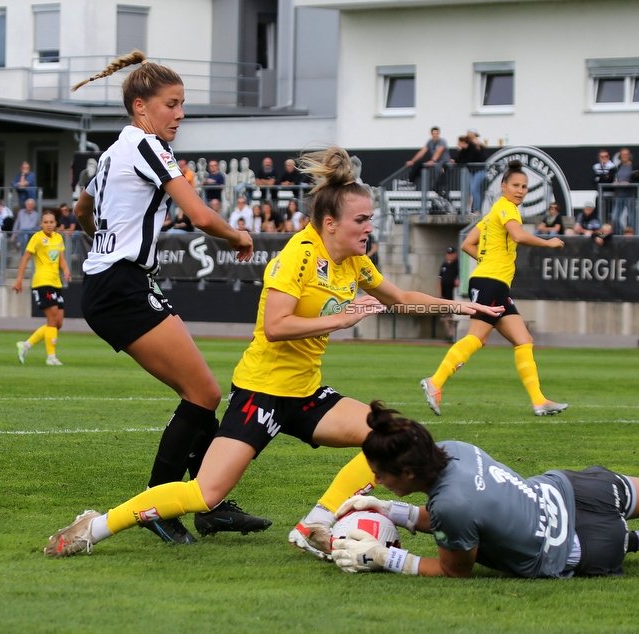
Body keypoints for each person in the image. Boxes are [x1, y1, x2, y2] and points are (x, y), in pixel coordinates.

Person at [43, 145, 501, 559]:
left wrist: (462, 305)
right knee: (203, 493)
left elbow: (398, 297)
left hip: (305, 395)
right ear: (330, 223)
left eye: (370, 220)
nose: (368, 228)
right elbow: (276, 326)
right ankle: (93, 527)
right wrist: (340, 320)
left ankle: (315, 523)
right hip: (260, 394)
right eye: (361, 221)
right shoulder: (297, 256)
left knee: (388, 435)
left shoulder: (354, 261)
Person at [67, 51, 265, 545]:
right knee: (203, 394)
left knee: (202, 393)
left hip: (116, 283)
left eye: (182, 105)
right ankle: (160, 503)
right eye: (172, 104)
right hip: (122, 285)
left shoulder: (116, 151)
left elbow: (82, 209)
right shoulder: (150, 147)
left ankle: (207, 504)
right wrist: (238, 237)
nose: (180, 114)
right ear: (141, 107)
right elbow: (199, 215)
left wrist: (102, 244)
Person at [329, 403, 639, 578]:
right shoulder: (453, 447)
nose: (378, 479)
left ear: (410, 473)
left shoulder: (451, 505)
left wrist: (384, 557)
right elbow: (473, 514)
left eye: (384, 475)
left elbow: (455, 570)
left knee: (493, 551)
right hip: (573, 493)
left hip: (580, 545)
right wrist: (390, 508)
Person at [420, 160, 568, 418]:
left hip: (493, 282)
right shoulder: (508, 208)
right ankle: (435, 382)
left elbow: (467, 244)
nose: (520, 190)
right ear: (503, 186)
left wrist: (487, 260)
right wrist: (550, 243)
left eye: (524, 186)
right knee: (477, 337)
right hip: (491, 282)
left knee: (524, 340)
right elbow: (520, 236)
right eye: (515, 185)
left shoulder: (493, 213)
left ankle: (539, 401)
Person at [13, 211, 72, 365]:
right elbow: (25, 258)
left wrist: (65, 270)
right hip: (42, 282)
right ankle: (51, 357)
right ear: (41, 224)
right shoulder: (37, 238)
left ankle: (25, 345)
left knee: (58, 323)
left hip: (55, 283)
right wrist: (19, 280)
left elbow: (61, 259)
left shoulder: (59, 238)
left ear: (55, 224)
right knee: (52, 320)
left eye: (51, 222)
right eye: (45, 222)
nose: (49, 224)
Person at [612, 149, 639, 235]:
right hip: (619, 195)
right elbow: (616, 177)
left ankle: (633, 236)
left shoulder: (634, 167)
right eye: (622, 155)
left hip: (630, 195)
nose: (624, 157)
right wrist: (615, 182)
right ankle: (623, 234)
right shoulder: (618, 167)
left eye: (626, 155)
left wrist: (630, 183)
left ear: (629, 155)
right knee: (614, 218)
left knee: (631, 219)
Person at [406, 127, 450, 191]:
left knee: (440, 173)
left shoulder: (442, 142)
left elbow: (439, 151)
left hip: (443, 162)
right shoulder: (430, 142)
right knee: (418, 164)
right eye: (433, 134)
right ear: (431, 134)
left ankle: (440, 189)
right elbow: (422, 152)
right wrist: (412, 161)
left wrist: (432, 160)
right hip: (435, 163)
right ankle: (411, 181)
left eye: (436, 133)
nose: (435, 135)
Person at [451, 131, 486, 212]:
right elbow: (460, 158)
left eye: (459, 143)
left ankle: (477, 209)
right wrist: (455, 160)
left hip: (479, 170)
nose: (458, 144)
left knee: (474, 189)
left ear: (463, 142)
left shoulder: (472, 148)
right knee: (468, 190)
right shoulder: (464, 149)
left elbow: (468, 159)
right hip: (471, 171)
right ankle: (467, 209)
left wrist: (458, 161)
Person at [438, 246, 459, 340]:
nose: (451, 255)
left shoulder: (457, 264)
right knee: (446, 314)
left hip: (453, 293)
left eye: (452, 253)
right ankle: (449, 334)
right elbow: (439, 280)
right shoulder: (444, 265)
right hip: (445, 293)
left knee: (452, 314)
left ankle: (452, 334)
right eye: (449, 253)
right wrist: (440, 294)